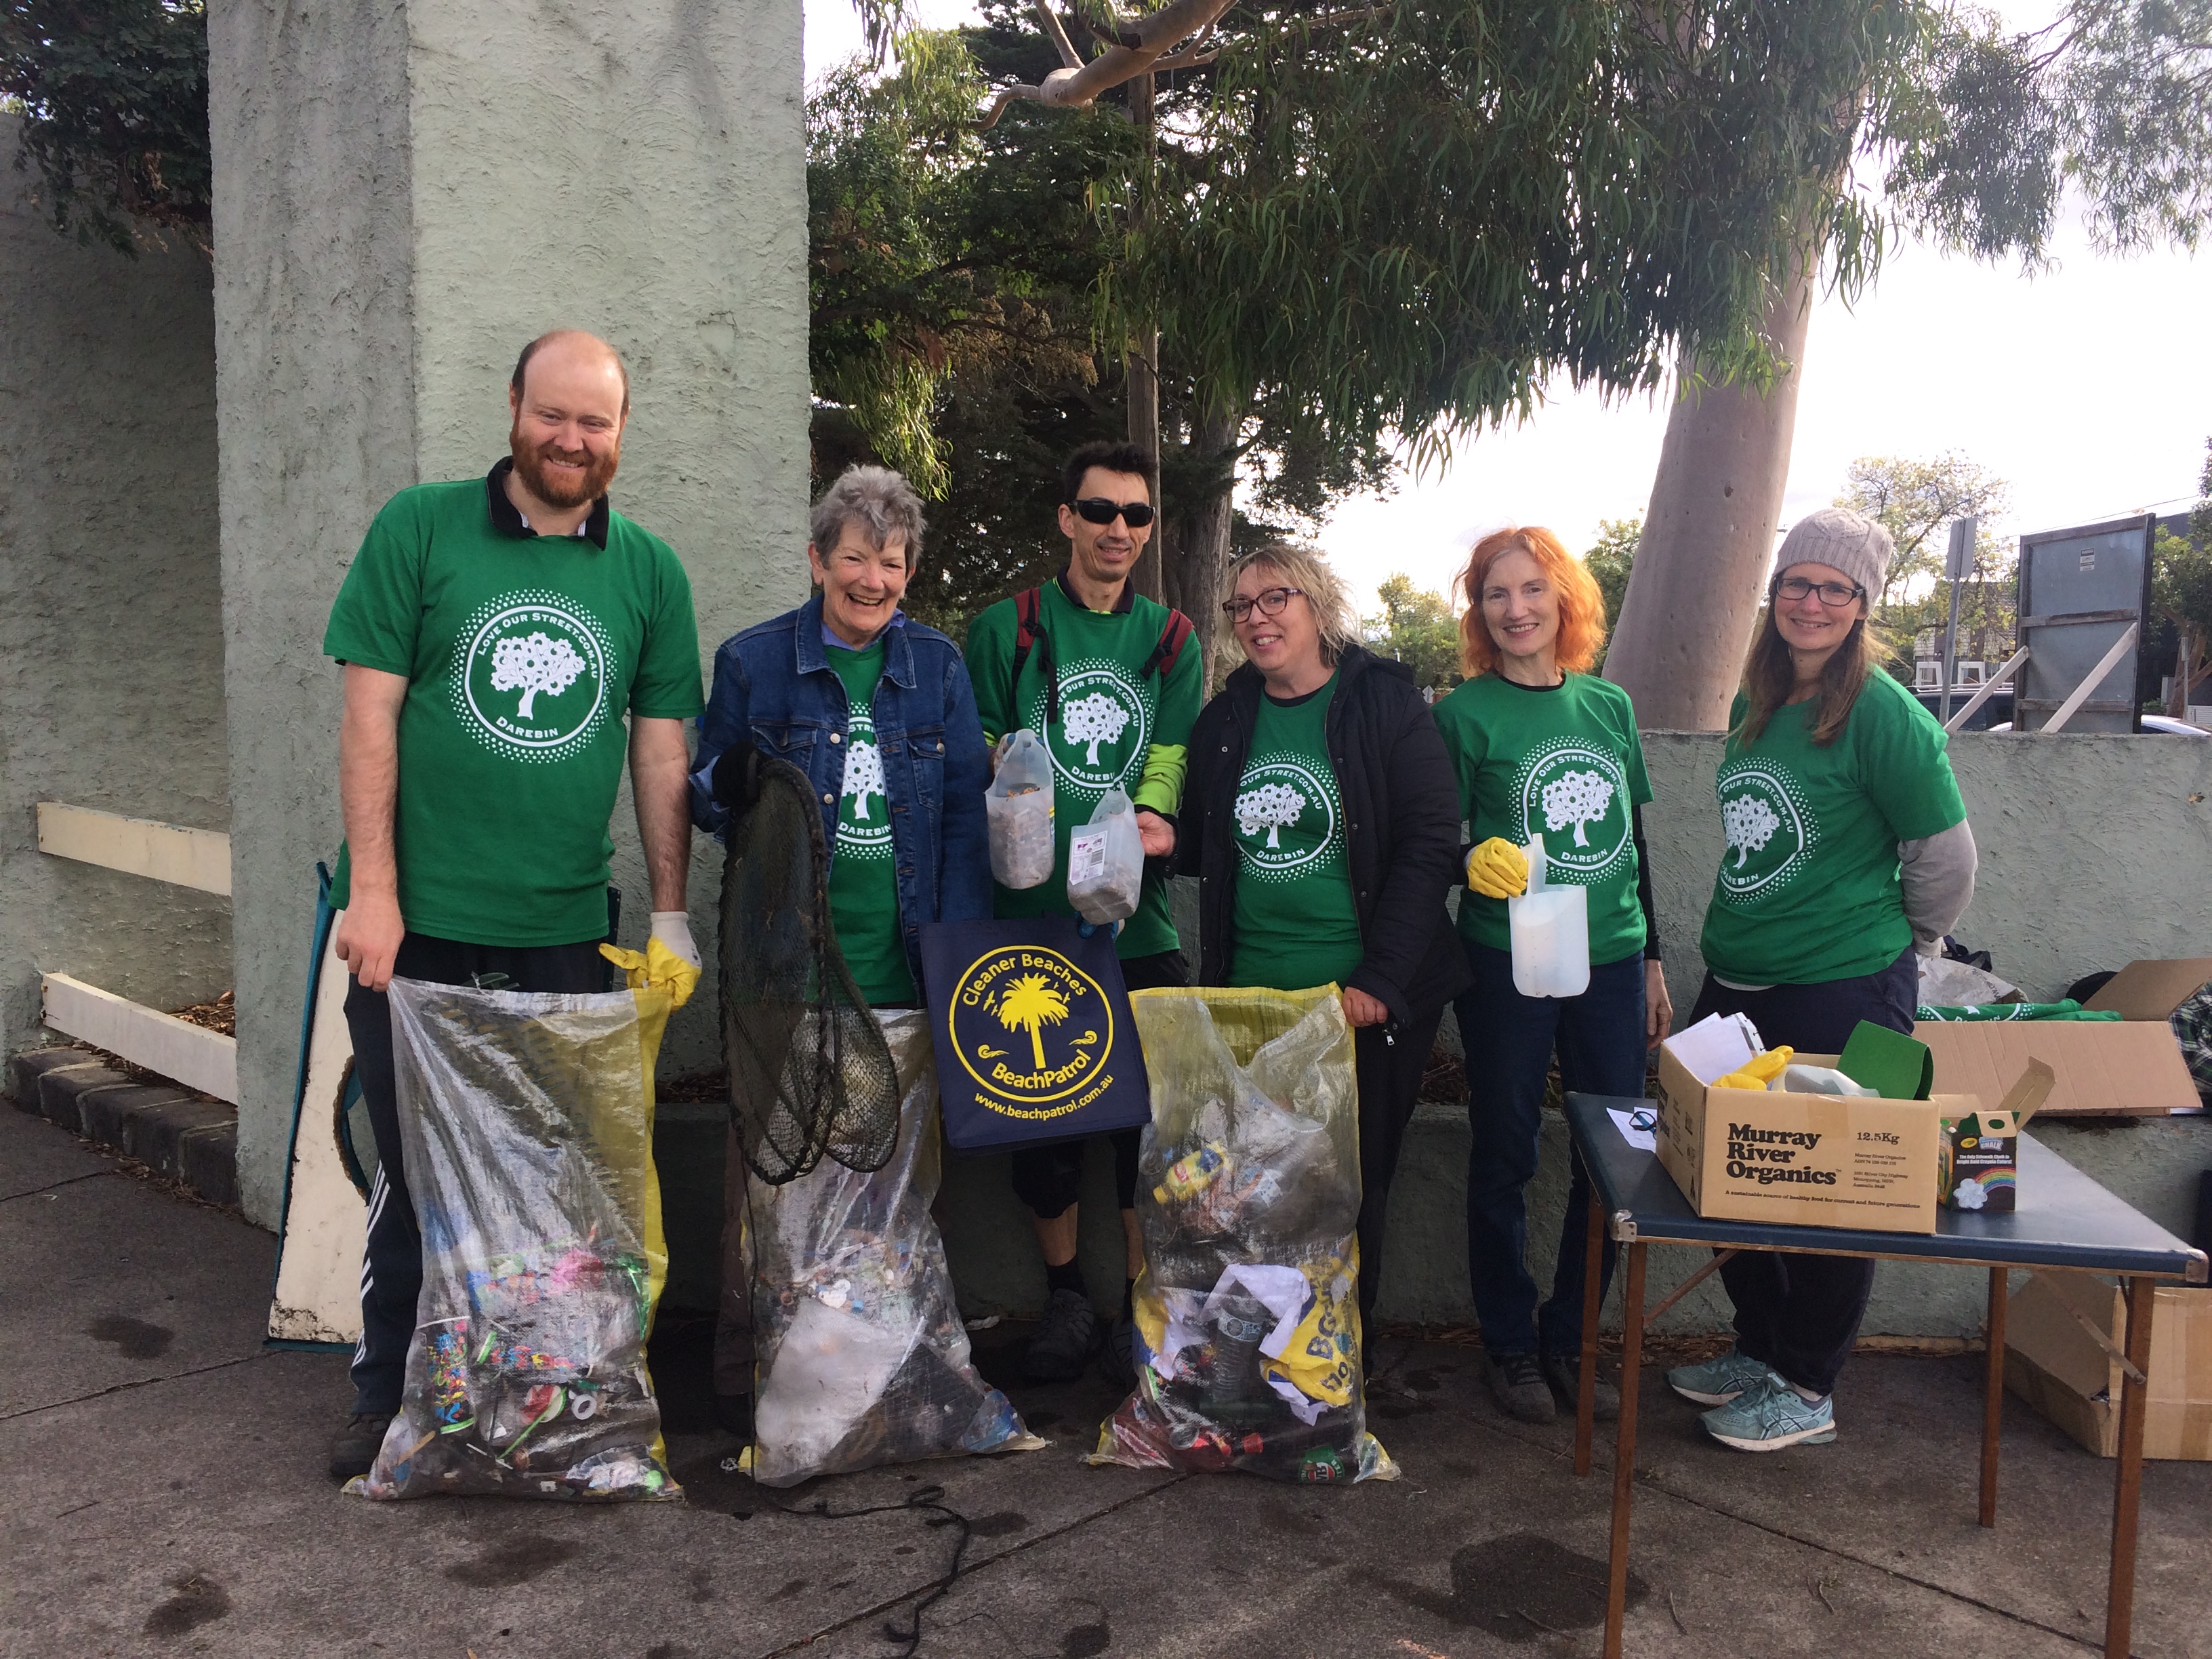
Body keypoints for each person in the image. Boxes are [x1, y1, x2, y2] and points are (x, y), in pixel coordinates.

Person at [322, 329, 704, 1480]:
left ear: (620, 433)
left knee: (551, 1186)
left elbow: (659, 750)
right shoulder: (419, 527)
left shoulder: (648, 571)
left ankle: (531, 1400)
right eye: (553, 414)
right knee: (414, 1176)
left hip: (563, 933)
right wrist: (374, 892)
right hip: (417, 928)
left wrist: (670, 913)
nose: (571, 440)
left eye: (595, 422)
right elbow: (369, 714)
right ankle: (392, 1395)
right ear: (512, 408)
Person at [1665, 506, 1978, 1452]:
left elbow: (1946, 857)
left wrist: (1904, 946)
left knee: (1831, 1188)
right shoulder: (1754, 702)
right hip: (1739, 982)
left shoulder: (1884, 715)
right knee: (1723, 1172)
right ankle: (1761, 1346)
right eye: (1797, 582)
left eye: (1834, 589)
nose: (1811, 602)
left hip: (1844, 985)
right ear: (1776, 593)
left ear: (1861, 604)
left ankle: (1807, 1386)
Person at [690, 464, 992, 1436]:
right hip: (788, 972)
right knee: (770, 1181)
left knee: (892, 1190)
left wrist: (956, 966)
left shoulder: (938, 668)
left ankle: (884, 1372)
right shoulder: (754, 661)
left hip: (902, 972)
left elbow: (963, 821)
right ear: (819, 560)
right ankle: (750, 1373)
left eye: (892, 563)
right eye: (856, 558)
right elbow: (706, 799)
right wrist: (731, 775)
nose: (873, 580)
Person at [1178, 545, 1469, 1318]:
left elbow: (1429, 844)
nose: (1257, 618)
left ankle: (1342, 1359)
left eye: (1276, 598)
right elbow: (1201, 838)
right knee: (1259, 1187)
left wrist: (1380, 980)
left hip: (1360, 1005)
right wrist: (1150, 836)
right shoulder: (1225, 720)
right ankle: (1265, 1357)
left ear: (1318, 605)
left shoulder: (1386, 706)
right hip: (1257, 1002)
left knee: (1351, 1188)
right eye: (1242, 606)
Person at [964, 441, 1201, 1385]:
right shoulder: (1009, 628)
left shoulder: (1171, 637)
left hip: (1137, 919)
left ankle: (1141, 1305)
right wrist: (998, 769)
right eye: (1099, 511)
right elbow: (978, 736)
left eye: (1136, 515)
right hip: (1026, 912)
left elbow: (1171, 749)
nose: (1117, 530)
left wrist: (1151, 814)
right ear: (1067, 519)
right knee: (1044, 1120)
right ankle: (1065, 1294)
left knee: (1146, 1125)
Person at [1433, 526, 1672, 1427]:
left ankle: (1572, 1338)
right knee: (1506, 1147)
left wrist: (1653, 959)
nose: (1516, 608)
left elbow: (1634, 843)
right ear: (1479, 611)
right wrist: (1467, 859)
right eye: (1496, 593)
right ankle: (1508, 1343)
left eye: (1532, 588)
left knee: (1611, 1157)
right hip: (1508, 959)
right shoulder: (1463, 715)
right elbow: (1430, 839)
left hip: (1611, 960)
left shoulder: (1608, 706)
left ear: (1565, 597)